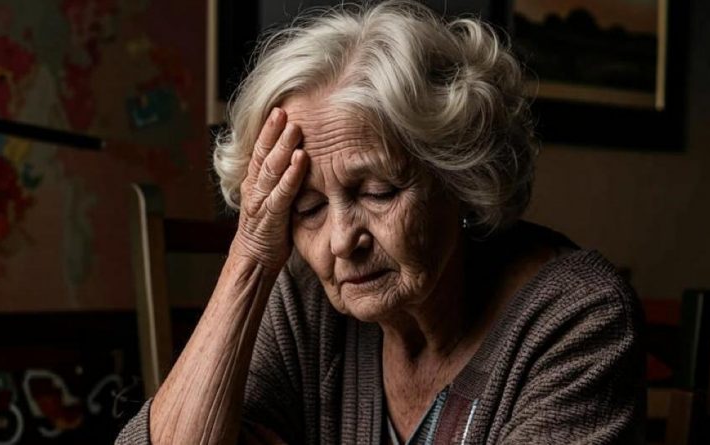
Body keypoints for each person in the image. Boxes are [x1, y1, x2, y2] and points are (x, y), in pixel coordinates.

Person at [116, 1, 645, 443]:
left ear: (459, 176)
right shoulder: (305, 300)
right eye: (308, 208)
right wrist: (251, 256)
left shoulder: (577, 317)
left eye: (377, 192)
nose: (343, 241)